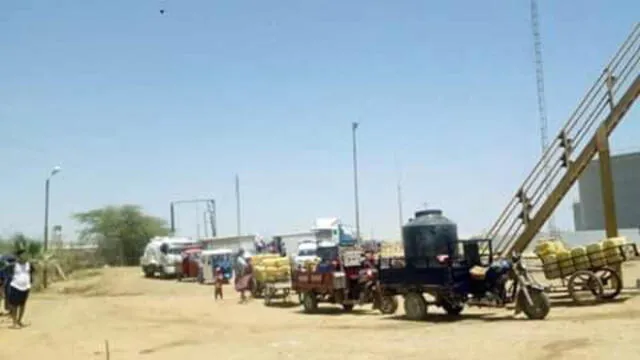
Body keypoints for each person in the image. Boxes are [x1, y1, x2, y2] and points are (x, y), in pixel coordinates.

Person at [6, 249, 35, 328]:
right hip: (15, 286)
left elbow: (31, 274)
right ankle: (14, 323)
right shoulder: (13, 265)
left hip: (26, 287)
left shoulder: (29, 264)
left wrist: (30, 283)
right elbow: (8, 274)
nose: (25, 256)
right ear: (19, 256)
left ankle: (19, 321)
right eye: (23, 255)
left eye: (26, 255)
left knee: (22, 304)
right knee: (14, 305)